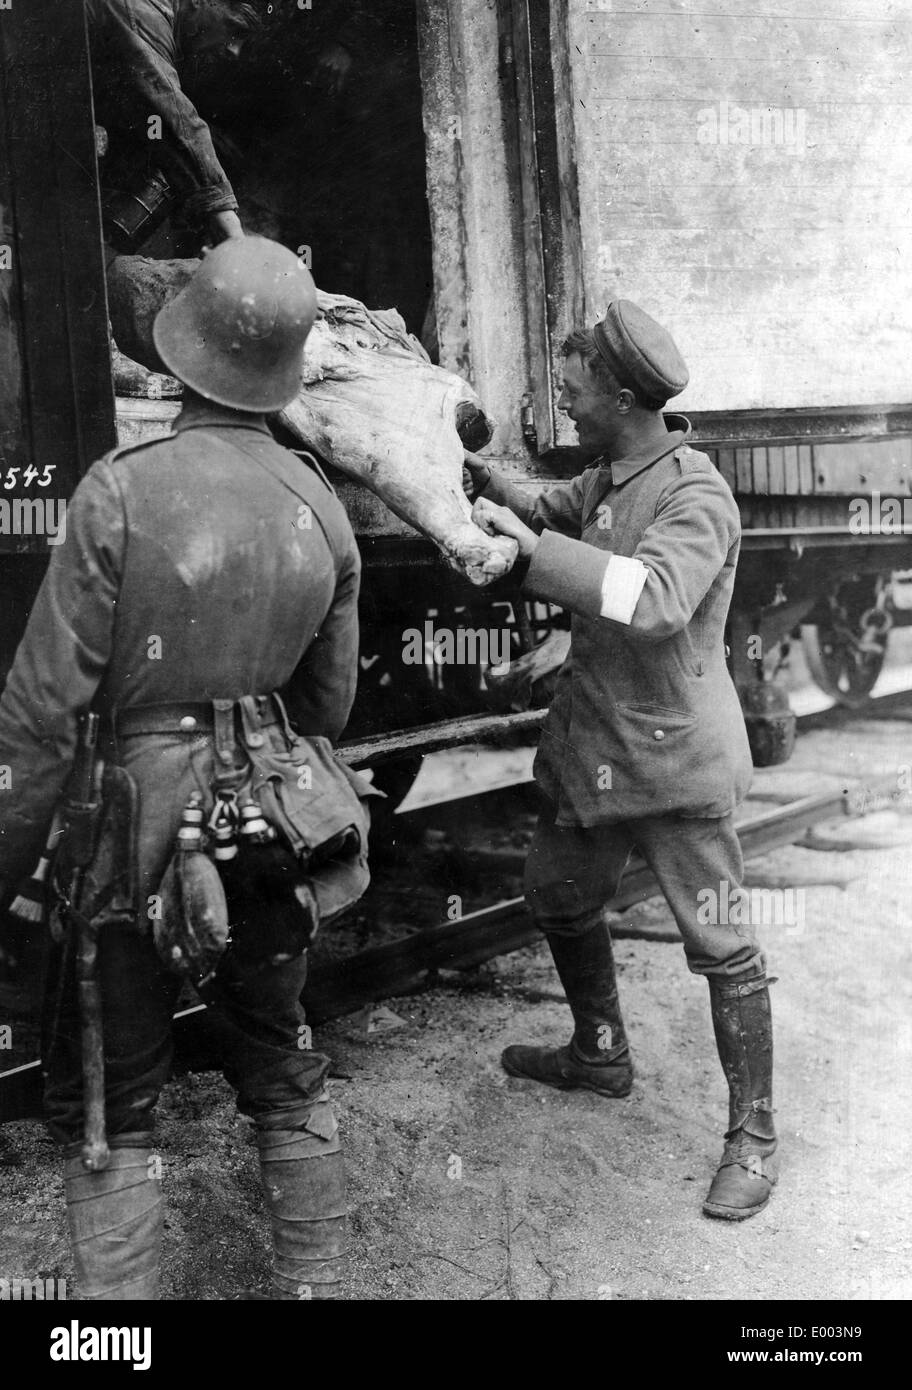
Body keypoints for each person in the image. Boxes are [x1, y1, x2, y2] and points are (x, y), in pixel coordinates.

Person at [0, 237, 371, 1298]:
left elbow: (35, 720)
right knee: (282, 1062)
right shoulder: (321, 507)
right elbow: (326, 712)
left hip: (132, 832)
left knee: (113, 1100)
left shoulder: (119, 492)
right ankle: (322, 1286)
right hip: (269, 830)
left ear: (181, 352)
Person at [464, 301, 778, 1222]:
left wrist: (534, 560)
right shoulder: (607, 479)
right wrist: (481, 476)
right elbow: (545, 507)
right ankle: (600, 1051)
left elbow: (654, 600)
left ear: (624, 396)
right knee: (556, 897)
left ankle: (753, 1140)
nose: (563, 408)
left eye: (572, 394)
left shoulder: (694, 493)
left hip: (676, 766)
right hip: (593, 752)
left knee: (722, 947)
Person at [87, 0, 262, 250]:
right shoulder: (141, 11)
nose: (235, 51)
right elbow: (166, 105)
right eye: (233, 28)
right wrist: (225, 219)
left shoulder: (159, 17)